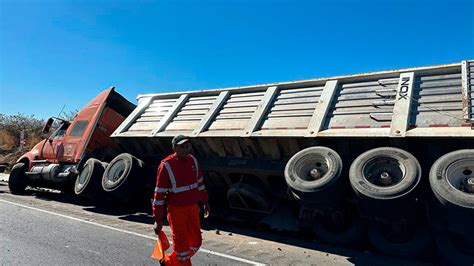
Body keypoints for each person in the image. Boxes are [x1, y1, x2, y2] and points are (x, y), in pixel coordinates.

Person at [152, 135, 210, 266]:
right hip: (176, 211)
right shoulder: (166, 165)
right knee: (181, 246)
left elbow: (200, 184)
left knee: (196, 241)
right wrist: (157, 219)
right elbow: (159, 195)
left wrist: (205, 202)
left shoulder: (193, 161)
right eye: (181, 147)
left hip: (193, 208)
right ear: (174, 148)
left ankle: (168, 262)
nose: (185, 149)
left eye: (187, 146)